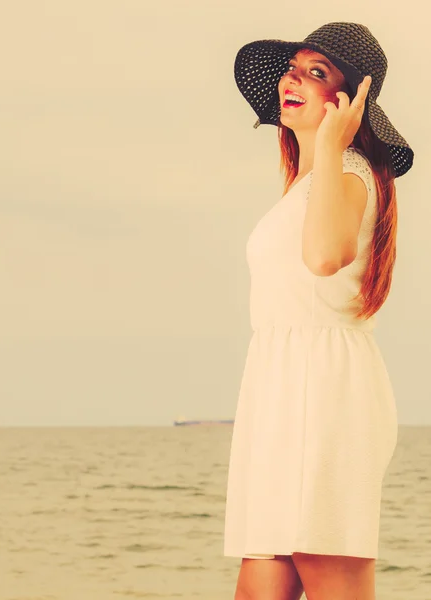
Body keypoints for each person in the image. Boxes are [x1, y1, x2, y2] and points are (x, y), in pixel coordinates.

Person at [223, 22, 414, 600]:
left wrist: (332, 145)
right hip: (281, 389)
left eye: (317, 72)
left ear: (350, 100)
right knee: (262, 578)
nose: (292, 79)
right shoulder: (307, 183)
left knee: (328, 570)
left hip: (324, 390)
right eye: (292, 68)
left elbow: (325, 256)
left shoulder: (349, 173)